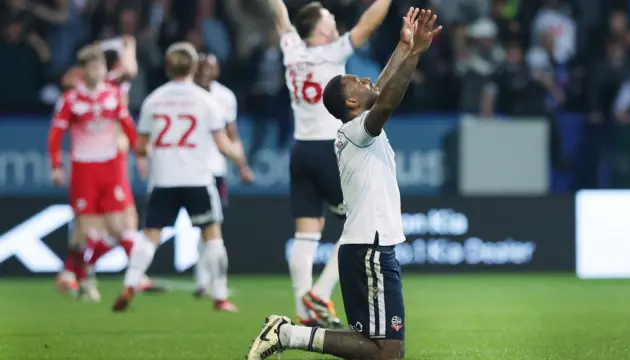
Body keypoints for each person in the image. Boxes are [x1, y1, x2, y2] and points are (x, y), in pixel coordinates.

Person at [247, 8, 441, 360]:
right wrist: (415, 56)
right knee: (387, 352)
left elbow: (380, 89)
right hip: (370, 248)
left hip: (368, 246)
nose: (367, 81)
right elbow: (388, 99)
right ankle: (288, 333)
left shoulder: (354, 125)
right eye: (359, 83)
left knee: (386, 351)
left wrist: (402, 47)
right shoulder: (358, 131)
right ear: (352, 102)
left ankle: (288, 332)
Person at [267, 0, 392, 329]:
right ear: (321, 29)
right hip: (328, 150)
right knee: (356, 222)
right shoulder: (330, 52)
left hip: (301, 150)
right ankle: (321, 293)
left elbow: (281, 18)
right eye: (329, 17)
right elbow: (368, 25)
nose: (334, 20)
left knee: (305, 234)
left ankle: (303, 308)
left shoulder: (292, 50)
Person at [112, 42, 254, 312]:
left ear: (167, 67)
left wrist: (155, 147)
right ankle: (220, 297)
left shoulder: (154, 100)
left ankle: (130, 283)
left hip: (163, 179)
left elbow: (140, 147)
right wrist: (240, 161)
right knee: (213, 236)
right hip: (198, 180)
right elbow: (223, 145)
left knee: (149, 237)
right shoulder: (207, 101)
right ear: (193, 67)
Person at [55, 37, 163, 297]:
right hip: (94, 162)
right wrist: (125, 44)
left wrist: (138, 151)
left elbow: (129, 73)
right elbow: (127, 69)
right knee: (97, 225)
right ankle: (80, 272)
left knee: (120, 223)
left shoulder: (113, 88)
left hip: (114, 159)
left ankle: (78, 270)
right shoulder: (89, 90)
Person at [192, 53, 243, 310]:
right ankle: (209, 284)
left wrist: (241, 164)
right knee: (208, 227)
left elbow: (231, 134)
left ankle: (205, 280)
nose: (205, 71)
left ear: (218, 71)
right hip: (189, 169)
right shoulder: (186, 94)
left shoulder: (225, 97)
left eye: (210, 67)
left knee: (211, 226)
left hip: (215, 168)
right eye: (201, 66)